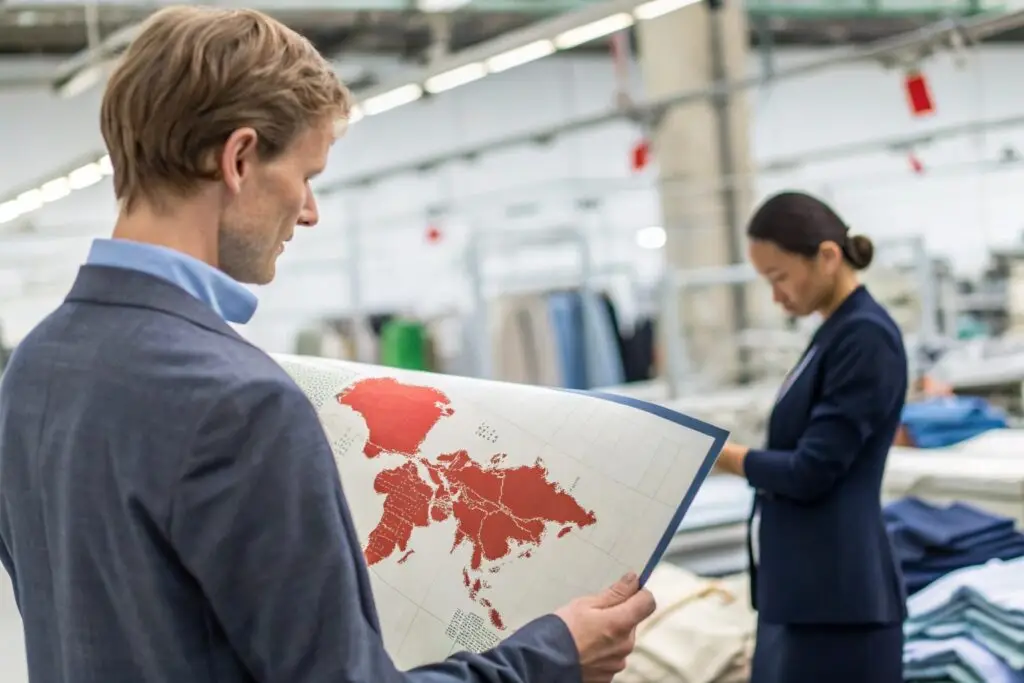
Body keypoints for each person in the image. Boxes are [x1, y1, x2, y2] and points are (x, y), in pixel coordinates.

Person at [0, 7, 655, 683]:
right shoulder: (240, 401)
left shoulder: (34, 369)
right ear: (240, 158)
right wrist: (550, 656)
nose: (309, 210)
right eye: (306, 175)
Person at [714, 191, 908, 683]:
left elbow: (811, 470)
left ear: (827, 257)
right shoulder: (833, 333)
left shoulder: (866, 338)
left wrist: (722, 455)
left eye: (779, 277)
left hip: (839, 603)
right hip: (806, 592)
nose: (776, 295)